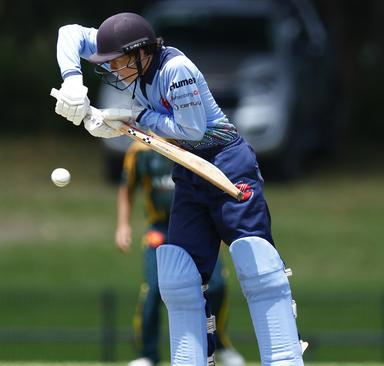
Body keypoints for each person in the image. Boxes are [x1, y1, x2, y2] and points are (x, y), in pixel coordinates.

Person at [54, 12, 306, 365]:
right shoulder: (132, 59)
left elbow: (190, 129)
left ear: (141, 53)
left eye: (117, 63)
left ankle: (284, 360)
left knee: (257, 263)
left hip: (226, 163)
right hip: (189, 170)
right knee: (179, 274)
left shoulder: (176, 70)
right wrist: (71, 82)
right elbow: (71, 32)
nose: (112, 71)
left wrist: (128, 119)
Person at [116, 142, 245, 366]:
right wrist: (123, 225)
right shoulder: (140, 151)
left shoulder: (195, 145)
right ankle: (148, 355)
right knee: (154, 290)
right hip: (160, 230)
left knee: (216, 285)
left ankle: (220, 344)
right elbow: (126, 188)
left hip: (198, 226)